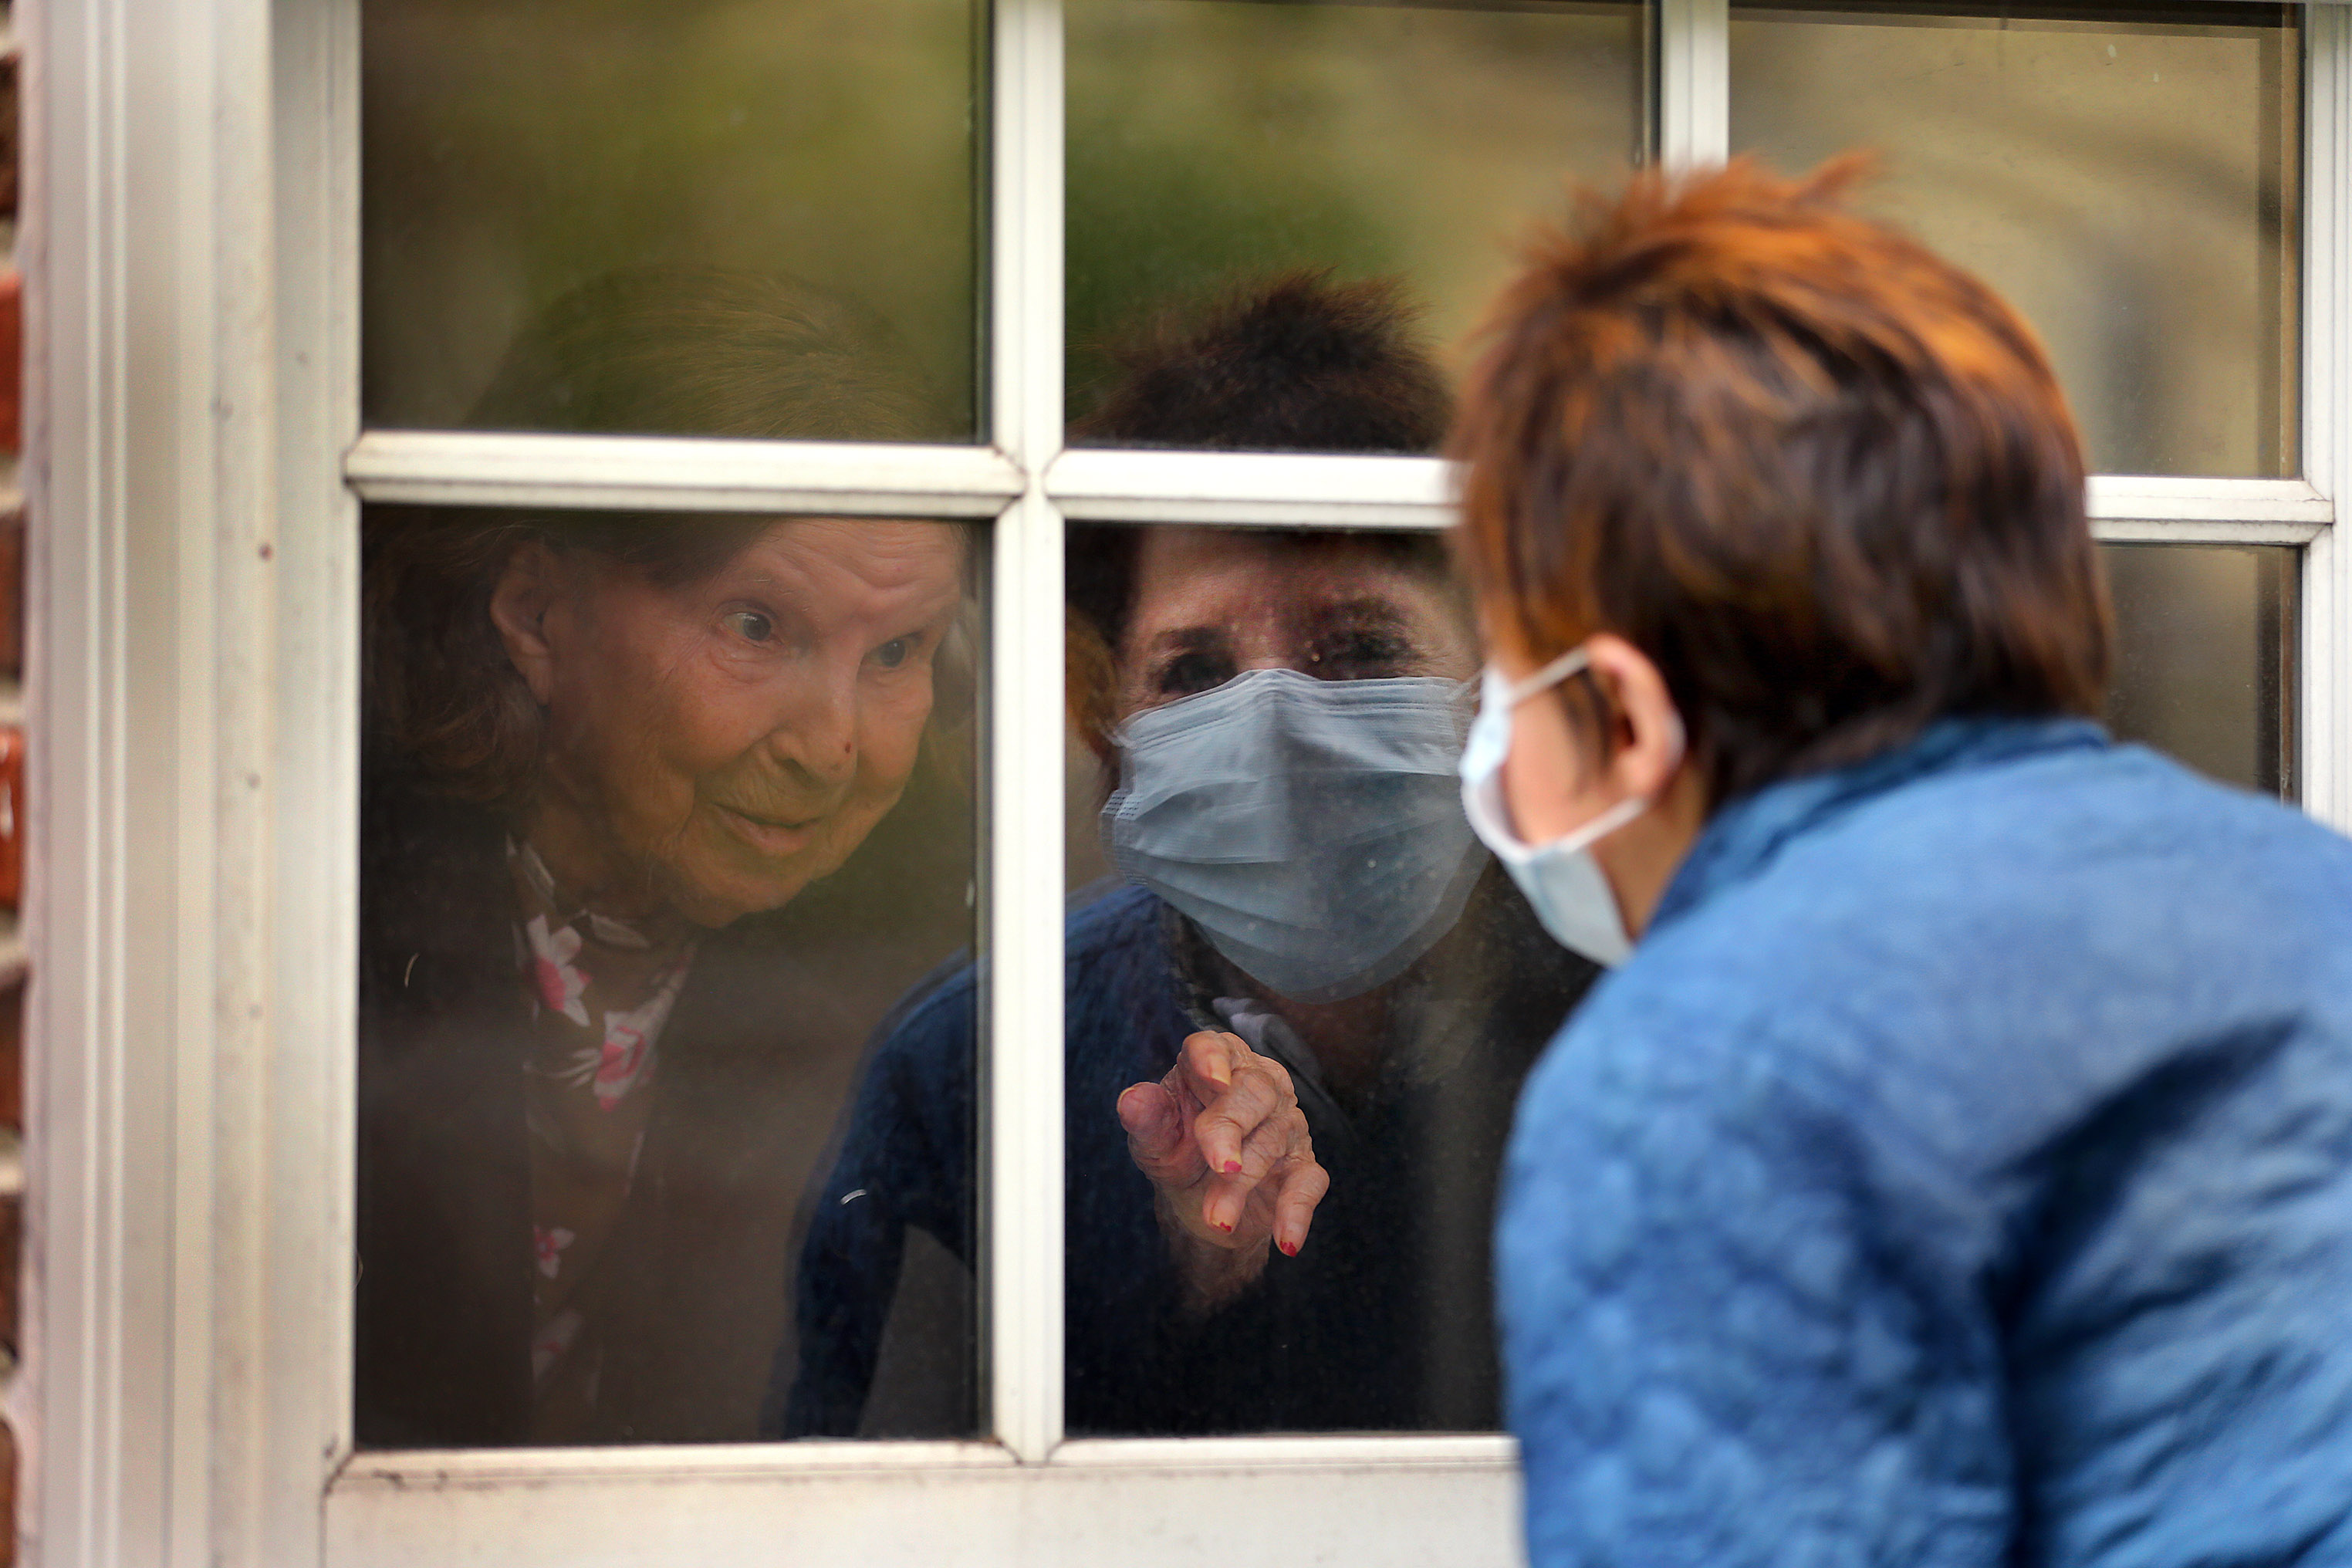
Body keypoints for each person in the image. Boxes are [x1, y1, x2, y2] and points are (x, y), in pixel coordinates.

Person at [1450, 158, 2352, 1566]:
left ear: (1625, 719)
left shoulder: (1703, 1063)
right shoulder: (2320, 898)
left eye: (1504, 686)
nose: (1492, 762)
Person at [773, 272, 1599, 1438]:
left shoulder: (1642, 1020)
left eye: (1361, 646)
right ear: (1109, 727)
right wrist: (1189, 1292)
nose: (1280, 728)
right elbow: (870, 1512)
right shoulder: (973, 1067)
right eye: (1196, 672)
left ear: (1493, 676)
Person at [358, 267, 973, 1445]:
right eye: (758, 627)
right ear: (537, 615)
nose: (834, 746)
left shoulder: (943, 975)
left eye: (897, 651)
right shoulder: (306, 901)